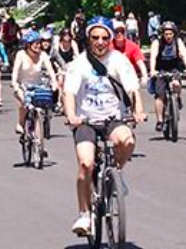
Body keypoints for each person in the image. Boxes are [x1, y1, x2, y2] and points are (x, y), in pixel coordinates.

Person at [64, 16, 147, 237]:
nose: (100, 42)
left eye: (104, 38)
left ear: (110, 38)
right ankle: (84, 214)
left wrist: (138, 110)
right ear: (88, 39)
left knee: (127, 141)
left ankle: (116, 174)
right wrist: (71, 115)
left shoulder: (119, 60)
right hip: (86, 120)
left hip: (112, 118)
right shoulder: (80, 63)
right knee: (85, 163)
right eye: (95, 38)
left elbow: (132, 88)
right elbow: (69, 92)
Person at [11, 30, 59, 134]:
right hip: (22, 85)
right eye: (36, 43)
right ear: (28, 45)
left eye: (39, 43)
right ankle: (20, 123)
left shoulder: (43, 55)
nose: (39, 46)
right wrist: (14, 83)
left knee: (45, 99)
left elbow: (50, 70)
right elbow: (15, 71)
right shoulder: (21, 54)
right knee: (23, 101)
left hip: (38, 85)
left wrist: (54, 82)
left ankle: (39, 136)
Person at [148, 21, 186, 130]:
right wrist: (153, 70)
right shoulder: (157, 43)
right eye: (166, 34)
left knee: (176, 83)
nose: (168, 36)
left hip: (174, 67)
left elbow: (184, 55)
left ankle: (178, 98)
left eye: (170, 34)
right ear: (162, 34)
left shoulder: (178, 42)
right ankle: (159, 121)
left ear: (174, 34)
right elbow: (153, 57)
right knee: (160, 95)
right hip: (161, 69)